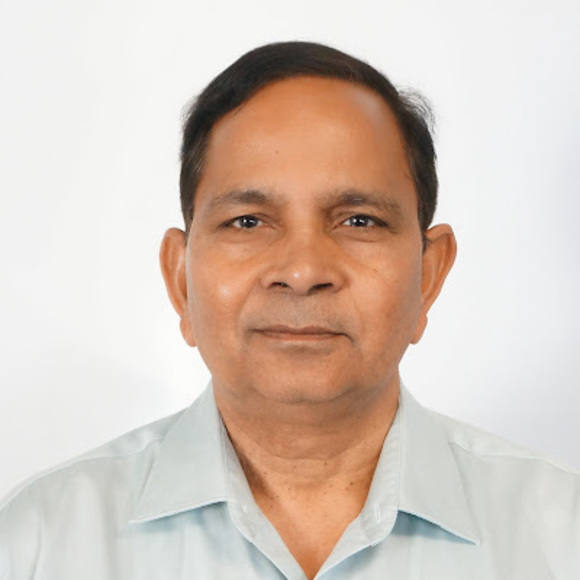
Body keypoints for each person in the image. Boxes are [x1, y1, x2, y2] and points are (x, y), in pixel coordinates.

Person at [1, 41, 578, 580]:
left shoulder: (561, 537)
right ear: (180, 280)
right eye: (247, 221)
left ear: (428, 275)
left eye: (359, 221)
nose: (302, 272)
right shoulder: (39, 542)